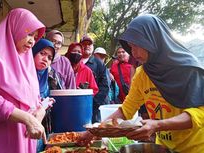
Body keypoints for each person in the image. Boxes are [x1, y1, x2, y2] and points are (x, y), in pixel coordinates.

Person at [80, 14, 204, 153]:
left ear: (154, 40)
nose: (134, 53)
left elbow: (200, 113)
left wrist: (158, 125)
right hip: (163, 147)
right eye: (131, 47)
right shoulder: (142, 74)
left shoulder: (189, 69)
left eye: (138, 45)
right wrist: (96, 131)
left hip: (195, 148)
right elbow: (126, 110)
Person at [0, 8, 46, 153]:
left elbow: (34, 97)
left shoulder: (26, 61)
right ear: (15, 27)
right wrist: (26, 118)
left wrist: (40, 111)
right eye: (29, 34)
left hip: (24, 141)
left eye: (35, 37)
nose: (32, 41)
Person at [32, 38, 56, 152]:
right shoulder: (21, 75)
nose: (45, 59)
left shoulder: (46, 78)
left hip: (40, 127)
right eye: (42, 53)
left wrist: (45, 104)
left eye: (49, 58)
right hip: (22, 126)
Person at [80, 36, 109, 123]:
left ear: (93, 47)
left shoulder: (98, 63)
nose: (87, 46)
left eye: (89, 44)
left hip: (93, 108)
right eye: (84, 44)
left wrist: (93, 103)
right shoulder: (73, 60)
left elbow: (104, 86)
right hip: (75, 104)